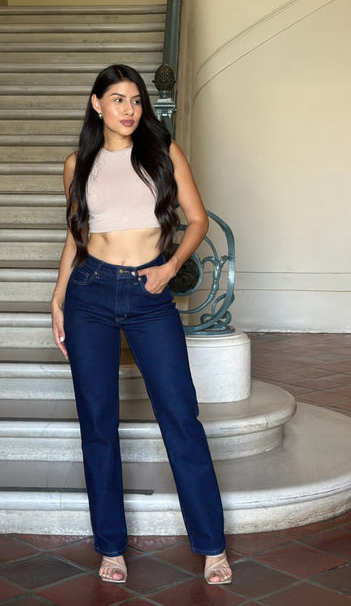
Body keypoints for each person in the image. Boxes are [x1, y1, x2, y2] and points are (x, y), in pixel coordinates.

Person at [51, 64, 232, 586]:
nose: (129, 109)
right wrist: (58, 297)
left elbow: (197, 219)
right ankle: (110, 547)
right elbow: (76, 236)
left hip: (149, 294)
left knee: (180, 416)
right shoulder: (76, 164)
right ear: (97, 104)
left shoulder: (162, 152)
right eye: (118, 99)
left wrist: (170, 269)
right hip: (89, 294)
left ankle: (211, 545)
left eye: (135, 100)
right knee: (97, 423)